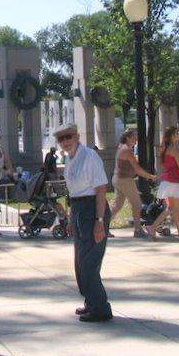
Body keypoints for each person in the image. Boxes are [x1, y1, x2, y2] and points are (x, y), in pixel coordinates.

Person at [55, 123, 112, 322]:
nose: (65, 142)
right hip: (79, 208)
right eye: (61, 139)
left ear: (77, 136)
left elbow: (101, 189)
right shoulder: (70, 160)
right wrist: (71, 218)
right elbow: (72, 193)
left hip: (92, 209)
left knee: (89, 262)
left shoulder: (89, 156)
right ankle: (91, 301)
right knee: (80, 262)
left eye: (68, 137)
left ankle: (101, 307)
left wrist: (99, 221)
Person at [110, 129, 157, 238]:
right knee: (137, 204)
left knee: (117, 205)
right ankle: (138, 230)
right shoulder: (127, 150)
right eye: (134, 138)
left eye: (136, 139)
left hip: (118, 179)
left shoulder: (121, 146)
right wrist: (150, 176)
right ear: (127, 138)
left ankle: (101, 227)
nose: (136, 141)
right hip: (125, 180)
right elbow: (137, 169)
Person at [152, 127, 179, 239]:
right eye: (176, 133)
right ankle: (153, 227)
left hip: (167, 180)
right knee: (176, 208)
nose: (178, 135)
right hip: (175, 180)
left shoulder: (165, 148)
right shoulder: (174, 149)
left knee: (172, 208)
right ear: (172, 136)